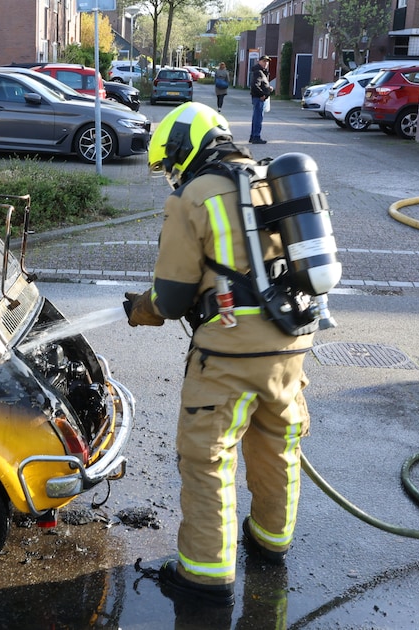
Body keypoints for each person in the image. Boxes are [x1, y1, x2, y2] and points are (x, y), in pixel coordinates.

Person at [123, 102, 314, 608]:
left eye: (169, 164)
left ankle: (205, 574)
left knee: (208, 457)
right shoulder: (270, 180)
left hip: (228, 355)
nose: (170, 175)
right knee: (279, 443)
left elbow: (170, 299)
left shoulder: (193, 197)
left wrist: (138, 309)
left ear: (187, 149)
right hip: (290, 342)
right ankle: (271, 540)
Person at [249, 56, 273, 144]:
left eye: (267, 62)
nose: (266, 63)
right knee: (258, 118)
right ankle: (256, 136)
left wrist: (267, 88)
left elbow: (261, 84)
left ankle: (253, 136)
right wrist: (262, 94)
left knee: (256, 117)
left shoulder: (262, 72)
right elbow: (255, 85)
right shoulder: (258, 72)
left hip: (259, 98)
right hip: (259, 98)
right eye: (264, 61)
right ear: (259, 61)